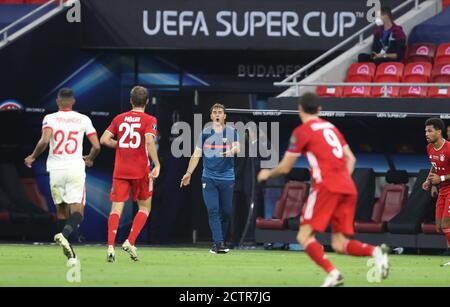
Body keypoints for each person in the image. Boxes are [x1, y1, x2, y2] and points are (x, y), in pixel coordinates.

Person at [257, 93, 389, 287]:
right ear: (319, 109)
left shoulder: (302, 131)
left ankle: (333, 274)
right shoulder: (332, 128)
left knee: (303, 236)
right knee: (338, 244)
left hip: (326, 186)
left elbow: (285, 168)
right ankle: (376, 252)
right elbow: (351, 159)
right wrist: (341, 178)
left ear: (300, 109)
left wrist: (267, 174)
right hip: (347, 186)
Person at [24, 88, 101, 263]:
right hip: (75, 168)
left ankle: (70, 254)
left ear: (58, 101)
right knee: (78, 211)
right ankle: (64, 235)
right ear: (73, 101)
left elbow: (44, 141)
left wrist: (33, 157)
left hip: (56, 169)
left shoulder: (50, 118)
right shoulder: (83, 119)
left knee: (61, 209)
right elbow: (96, 146)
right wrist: (89, 158)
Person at [100, 86, 160, 262]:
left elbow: (104, 139)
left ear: (130, 100)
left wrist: (121, 145)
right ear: (147, 102)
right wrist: (157, 163)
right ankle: (130, 241)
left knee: (116, 209)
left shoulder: (119, 118)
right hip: (141, 170)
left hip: (121, 170)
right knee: (144, 207)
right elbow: (149, 140)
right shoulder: (150, 119)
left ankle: (111, 247)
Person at [180, 103, 240, 254]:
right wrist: (188, 173)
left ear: (225, 116)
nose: (218, 114)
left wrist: (230, 151)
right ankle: (218, 243)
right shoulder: (205, 133)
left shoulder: (232, 131)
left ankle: (220, 241)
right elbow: (196, 154)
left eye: (220, 112)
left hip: (227, 177)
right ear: (211, 116)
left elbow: (238, 148)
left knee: (226, 212)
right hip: (209, 178)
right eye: (215, 112)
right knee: (213, 210)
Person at [422, 118, 450, 260]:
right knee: (439, 227)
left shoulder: (449, 148)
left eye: (430, 131)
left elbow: (442, 175)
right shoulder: (430, 148)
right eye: (426, 131)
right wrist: (429, 181)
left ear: (439, 132)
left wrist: (442, 179)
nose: (427, 133)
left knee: (446, 224)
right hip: (442, 190)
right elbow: (434, 165)